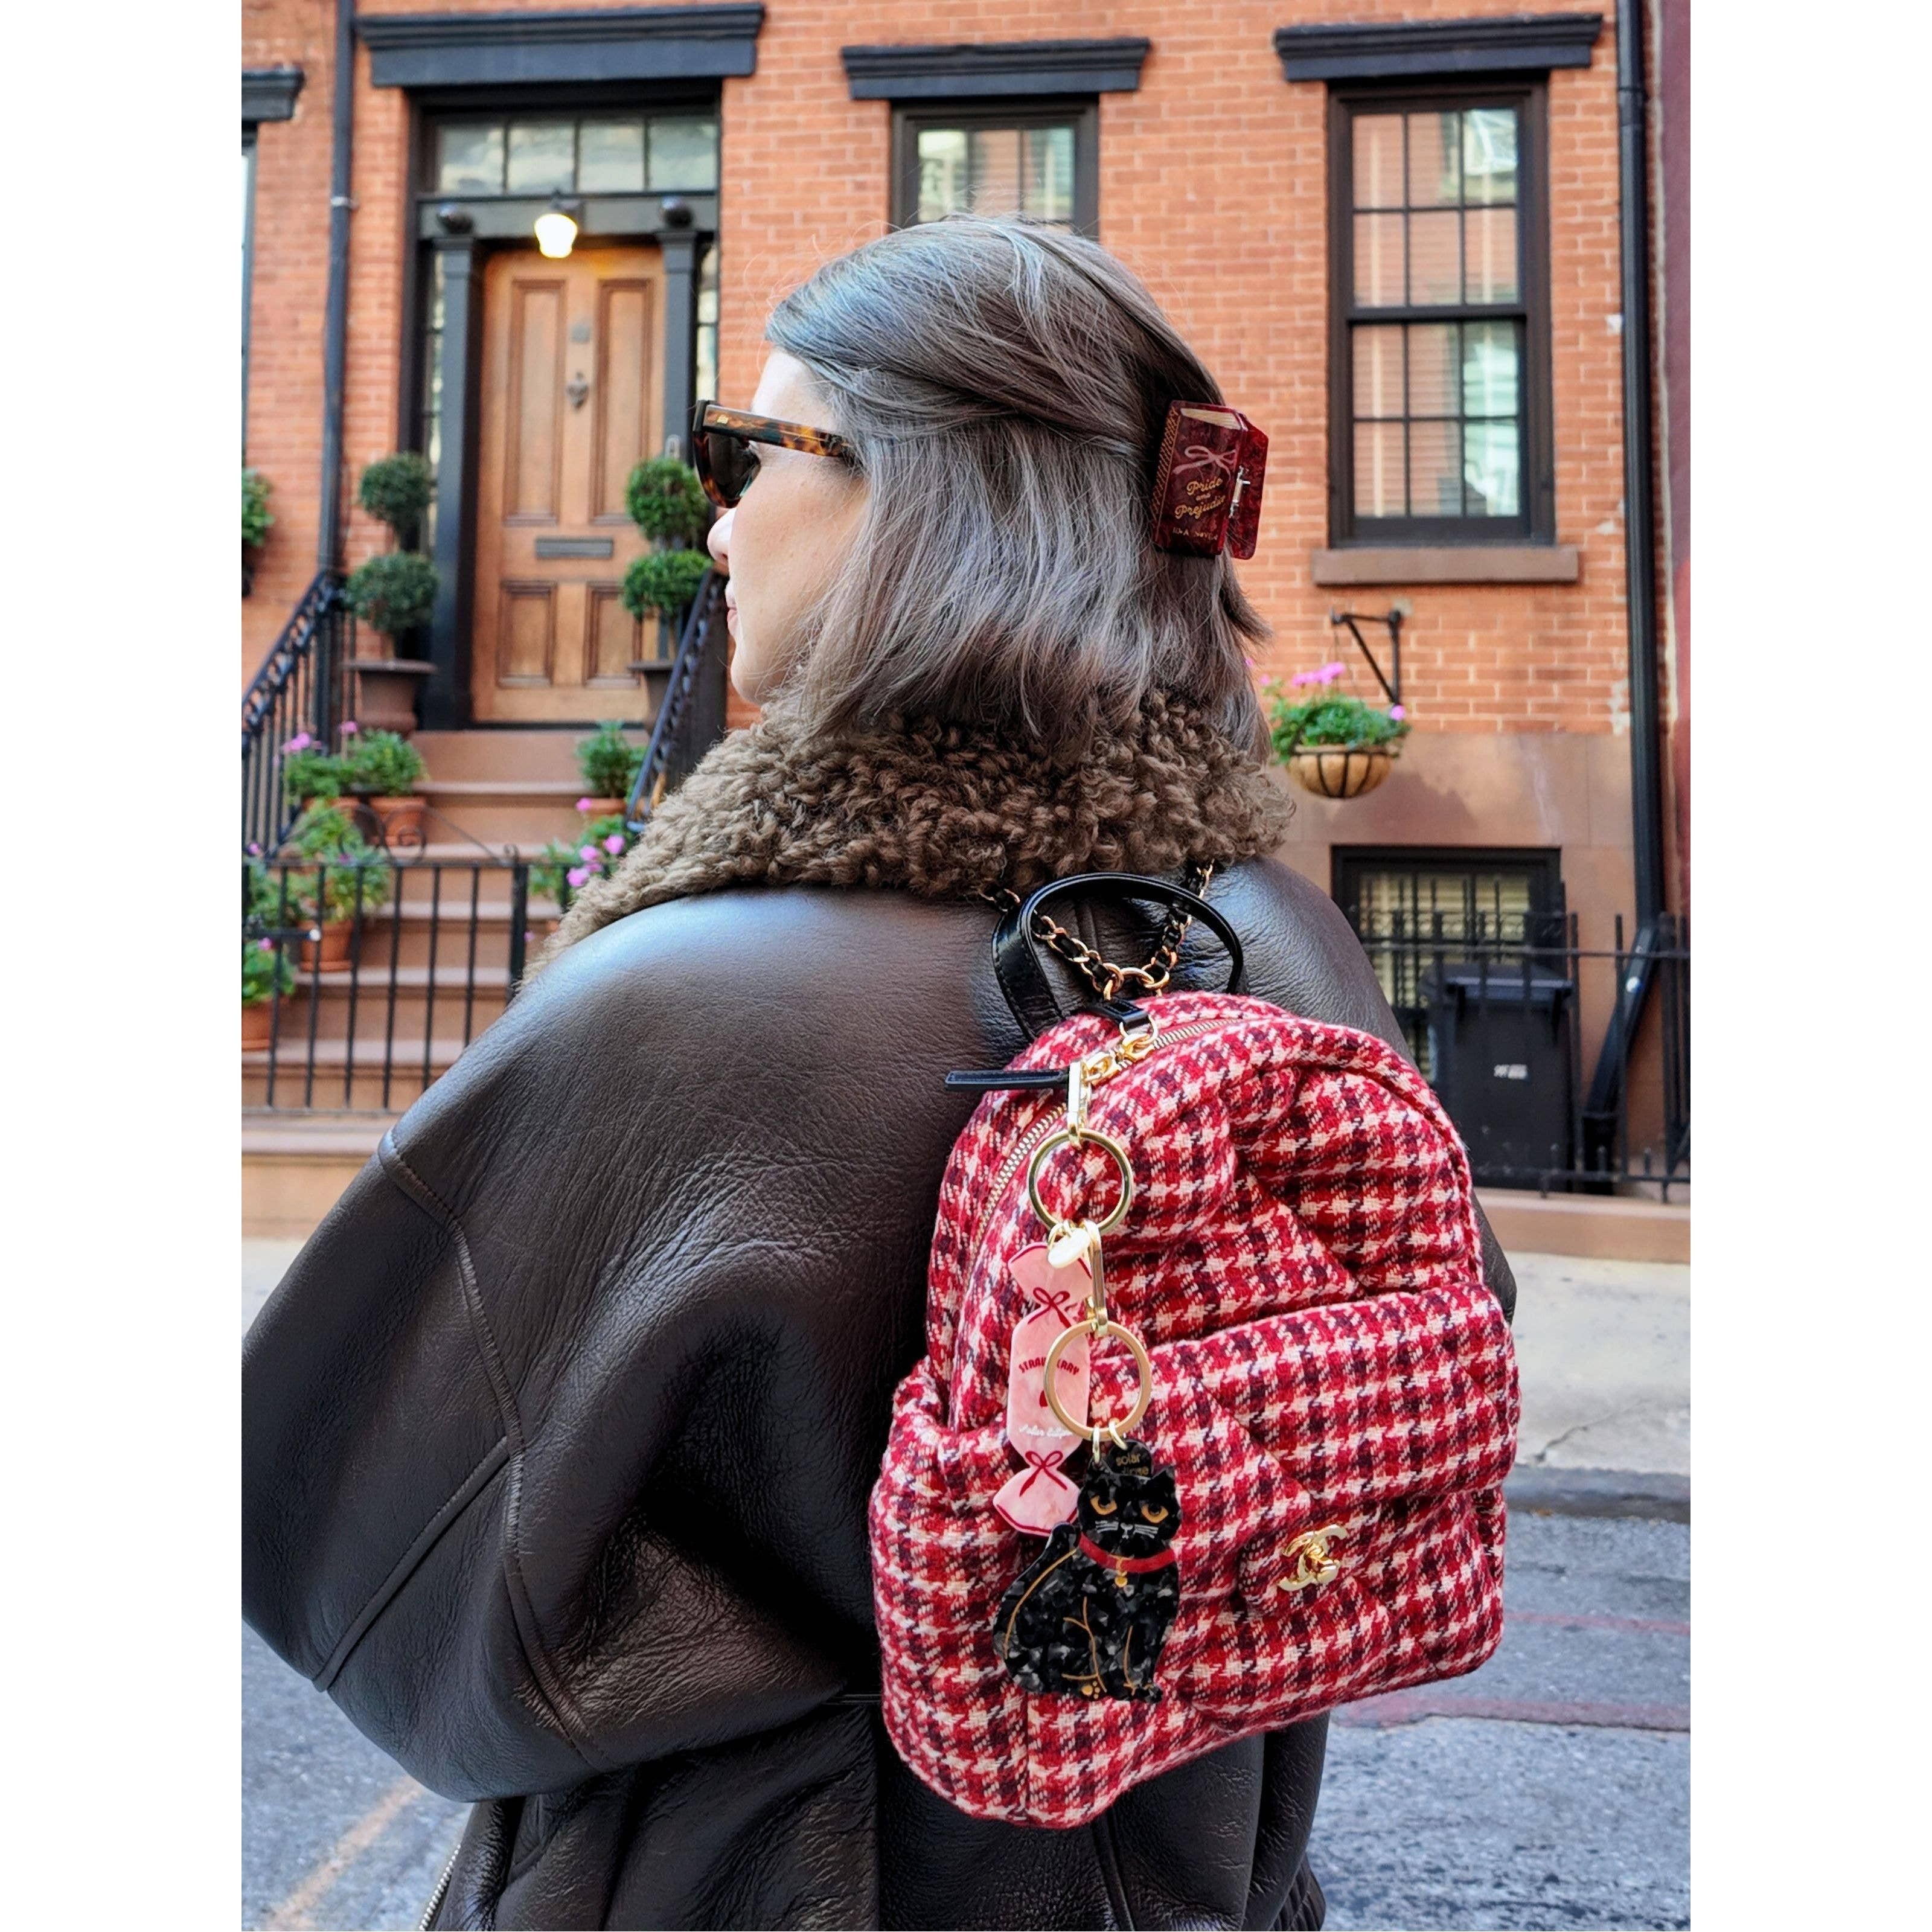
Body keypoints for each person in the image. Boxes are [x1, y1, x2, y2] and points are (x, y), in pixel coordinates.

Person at [243, 215, 1515, 1931]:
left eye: (748, 451)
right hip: (1197, 1885)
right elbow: (1419, 1415)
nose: (712, 519)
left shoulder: (682, 1003)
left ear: (923, 499)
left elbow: (354, 1558)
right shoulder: (1287, 939)